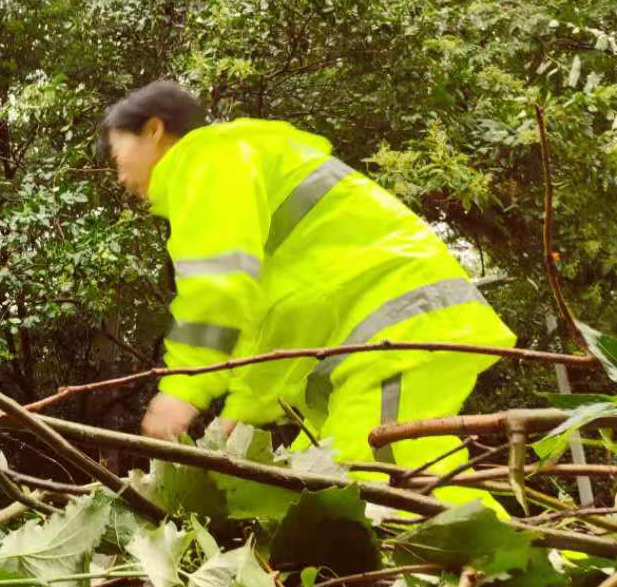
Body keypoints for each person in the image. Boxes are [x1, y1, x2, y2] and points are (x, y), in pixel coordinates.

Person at [100, 80, 515, 498]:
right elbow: (268, 322)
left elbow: (218, 286)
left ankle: (529, 561)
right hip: (386, 337)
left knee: (378, 492)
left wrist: (183, 391)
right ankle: (529, 560)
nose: (119, 174)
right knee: (319, 490)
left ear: (154, 130)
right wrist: (238, 416)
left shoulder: (206, 160)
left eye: (119, 154)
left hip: (397, 328)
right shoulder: (245, 163)